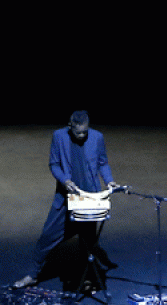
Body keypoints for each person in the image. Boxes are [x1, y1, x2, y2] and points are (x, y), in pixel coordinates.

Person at [12, 111, 117, 289]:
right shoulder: (59, 136)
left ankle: (87, 278)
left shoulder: (97, 137)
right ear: (70, 127)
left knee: (88, 241)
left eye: (85, 132)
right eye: (79, 132)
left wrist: (109, 181)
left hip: (88, 197)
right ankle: (32, 274)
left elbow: (102, 163)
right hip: (65, 197)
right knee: (47, 236)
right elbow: (53, 164)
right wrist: (65, 180)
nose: (83, 136)